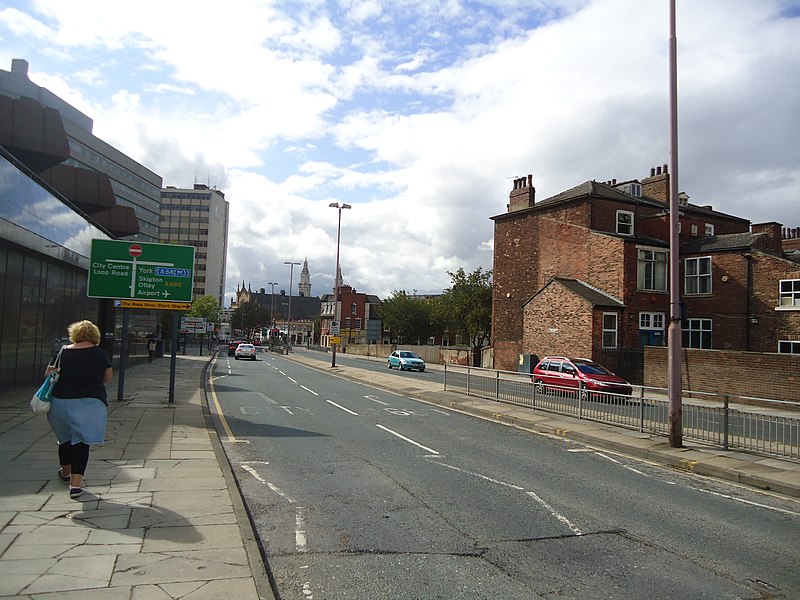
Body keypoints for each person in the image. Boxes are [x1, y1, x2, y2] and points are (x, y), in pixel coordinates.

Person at [45, 320, 113, 500]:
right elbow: (107, 377)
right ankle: (75, 486)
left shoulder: (62, 352)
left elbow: (48, 374)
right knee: (82, 443)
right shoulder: (100, 354)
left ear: (74, 334)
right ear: (95, 335)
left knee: (64, 439)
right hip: (90, 403)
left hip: (59, 402)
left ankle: (65, 472)